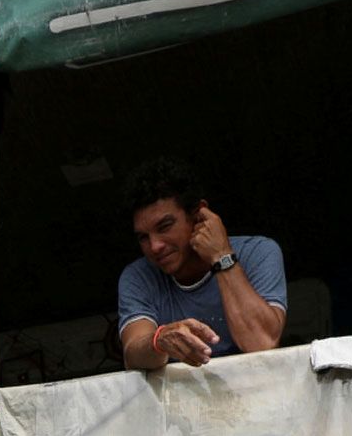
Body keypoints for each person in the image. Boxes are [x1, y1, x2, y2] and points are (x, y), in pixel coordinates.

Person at [116, 158, 287, 371]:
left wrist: (222, 257)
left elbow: (262, 343)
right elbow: (133, 355)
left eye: (165, 226)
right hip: (183, 401)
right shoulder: (138, 276)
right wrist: (159, 340)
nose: (155, 246)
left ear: (198, 215)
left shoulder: (258, 252)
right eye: (143, 237)